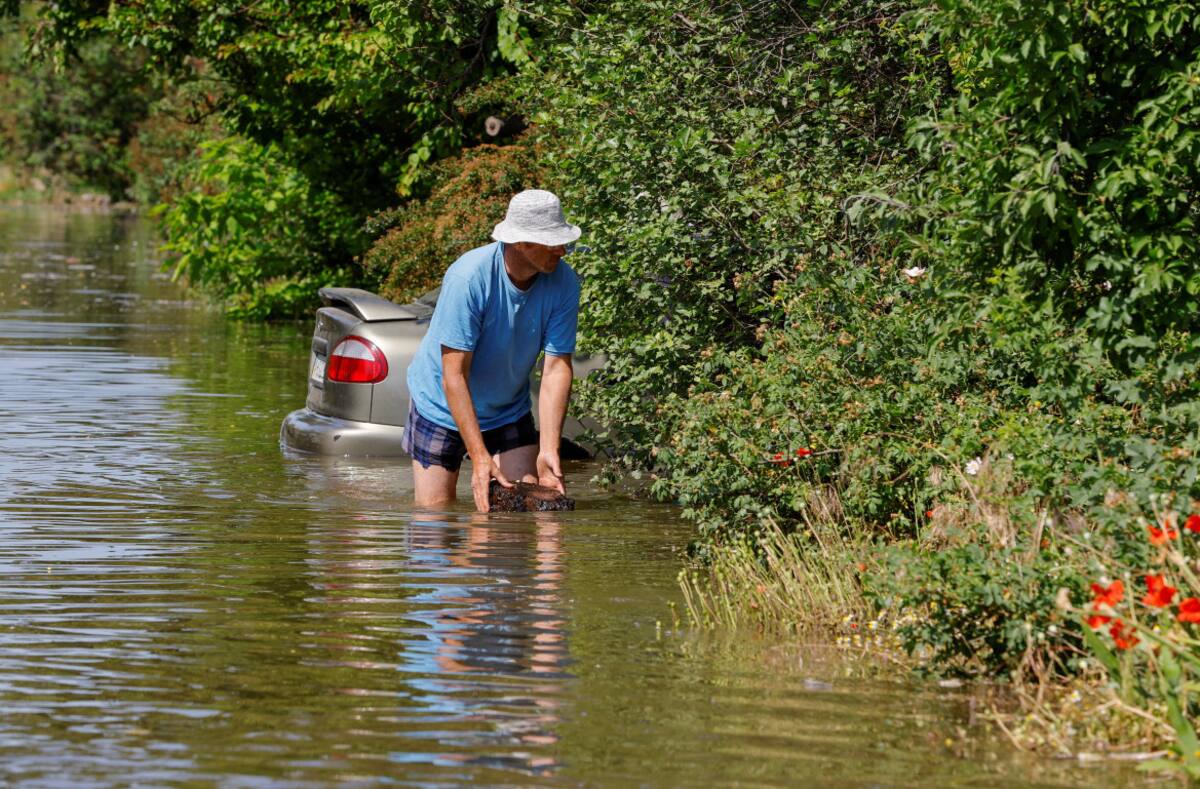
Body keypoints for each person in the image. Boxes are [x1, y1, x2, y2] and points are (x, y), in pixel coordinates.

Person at [403, 189, 582, 512]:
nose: (563, 251)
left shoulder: (564, 282)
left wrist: (548, 449)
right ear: (522, 243)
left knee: (518, 517)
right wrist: (480, 456)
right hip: (441, 406)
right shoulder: (468, 278)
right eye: (554, 242)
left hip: (506, 409)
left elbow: (556, 368)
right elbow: (454, 375)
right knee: (436, 518)